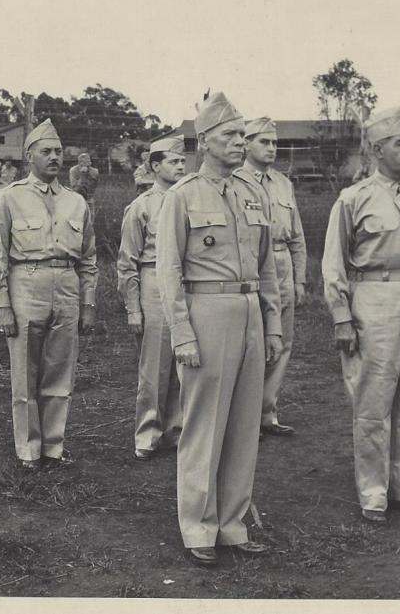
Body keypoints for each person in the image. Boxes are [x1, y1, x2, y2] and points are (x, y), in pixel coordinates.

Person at [157, 91, 282, 566]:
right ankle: (198, 525)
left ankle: (233, 523)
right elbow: (169, 271)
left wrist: (272, 325)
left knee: (245, 425)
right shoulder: (182, 195)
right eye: (230, 134)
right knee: (204, 424)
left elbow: (267, 267)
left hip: (249, 311)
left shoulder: (252, 193)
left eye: (242, 134)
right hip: (206, 310)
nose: (240, 142)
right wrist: (182, 333)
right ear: (205, 141)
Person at [321, 106, 400, 524]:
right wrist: (341, 317)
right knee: (373, 399)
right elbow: (334, 264)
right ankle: (374, 492)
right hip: (374, 297)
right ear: (376, 150)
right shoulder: (354, 199)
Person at [0, 118, 98, 471]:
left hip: (66, 284)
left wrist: (88, 303)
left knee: (60, 372)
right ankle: (28, 450)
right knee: (25, 371)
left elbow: (89, 258)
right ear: (28, 156)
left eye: (59, 152)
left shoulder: (76, 202)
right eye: (46, 151)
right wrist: (2, 305)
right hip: (26, 283)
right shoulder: (9, 197)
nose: (54, 157)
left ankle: (53, 447)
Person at [117, 135, 187, 460]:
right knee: (155, 365)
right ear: (155, 167)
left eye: (183, 161)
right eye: (174, 162)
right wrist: (133, 308)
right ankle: (147, 433)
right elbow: (126, 262)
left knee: (184, 359)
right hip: (153, 282)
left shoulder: (189, 201)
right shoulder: (142, 206)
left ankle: (177, 430)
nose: (181, 167)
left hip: (185, 284)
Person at [236, 117, 307, 437]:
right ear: (246, 143)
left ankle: (268, 413)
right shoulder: (235, 181)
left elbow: (297, 236)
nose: (272, 148)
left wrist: (300, 279)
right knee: (252, 341)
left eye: (275, 143)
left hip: (282, 263)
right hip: (251, 265)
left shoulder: (282, 183)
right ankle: (245, 417)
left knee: (283, 342)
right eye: (264, 142)